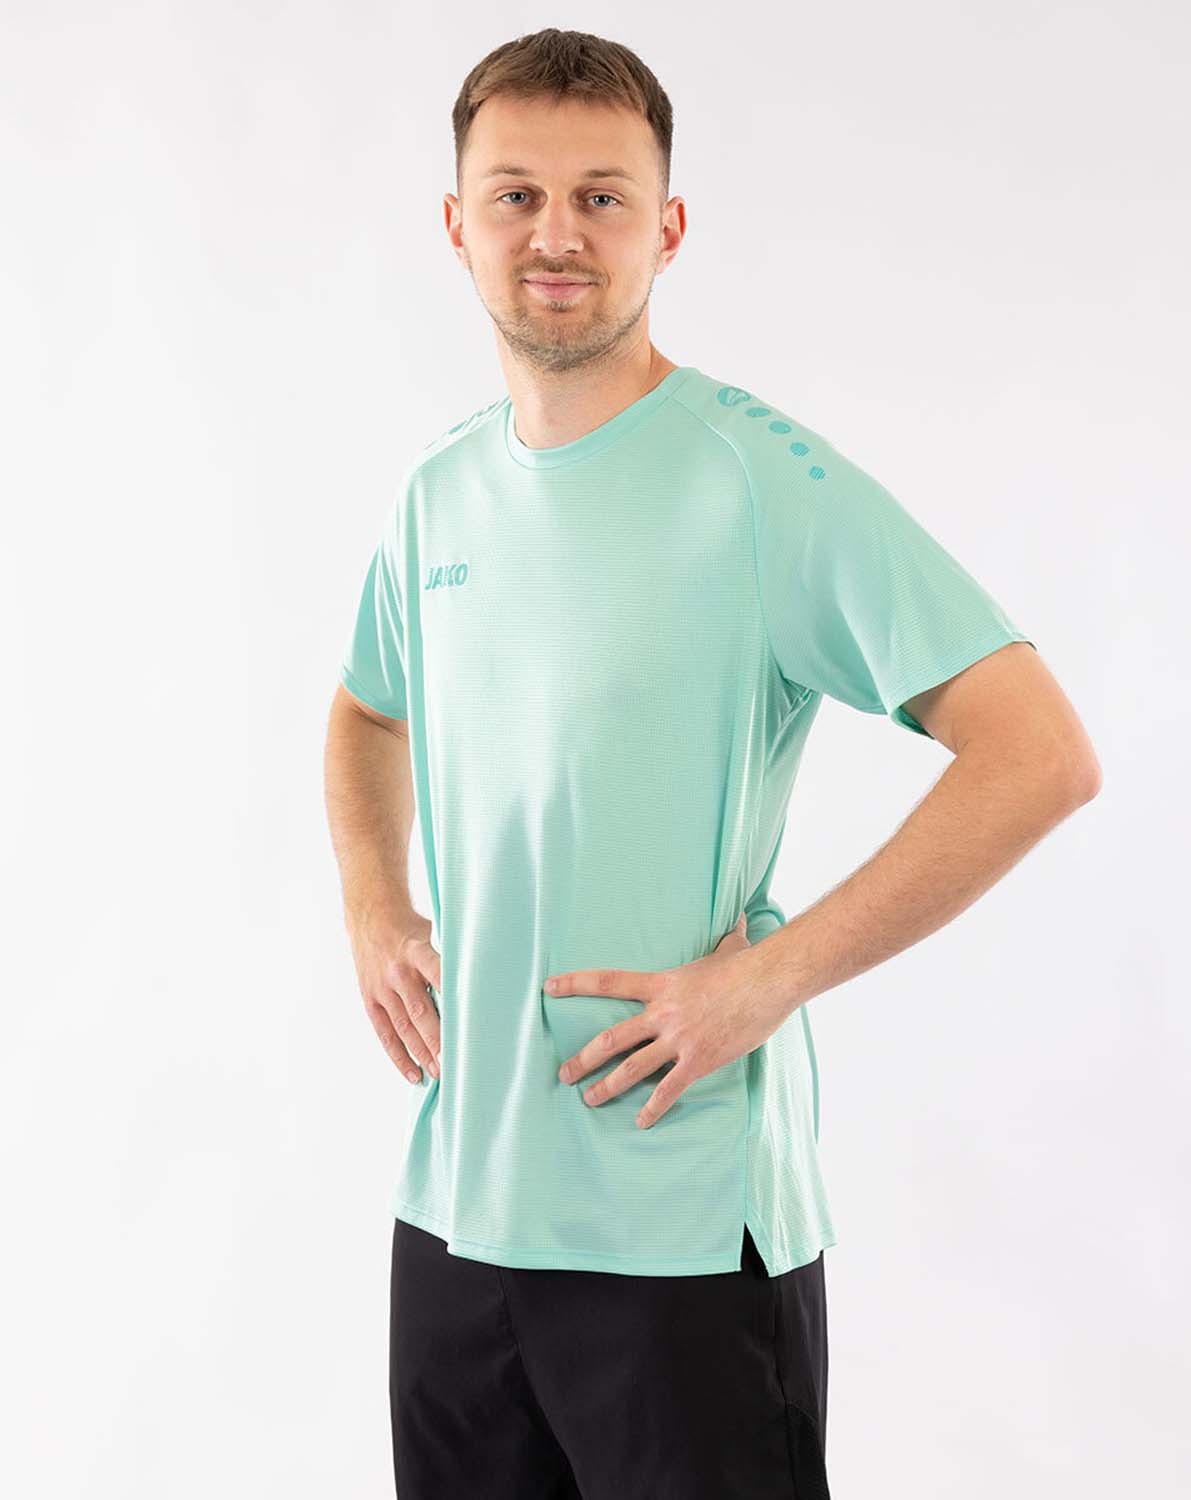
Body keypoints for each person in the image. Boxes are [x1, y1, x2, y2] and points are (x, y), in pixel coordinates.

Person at [323, 27, 1102, 1500]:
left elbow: (1039, 751)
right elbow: (367, 714)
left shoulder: (762, 484)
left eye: (603, 198)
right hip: (456, 1212)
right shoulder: (437, 493)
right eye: (517, 196)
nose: (558, 234)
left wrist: (767, 980)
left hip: (679, 1228)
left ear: (668, 228)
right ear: (458, 225)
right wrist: (375, 903)